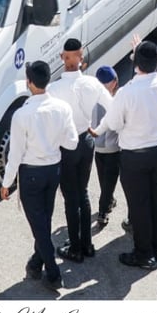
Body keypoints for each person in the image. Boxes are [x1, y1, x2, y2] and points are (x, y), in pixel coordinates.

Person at [93, 41, 157, 271]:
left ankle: (144, 253)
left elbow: (113, 123)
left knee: (140, 203)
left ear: (135, 65)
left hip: (134, 155)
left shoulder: (126, 92)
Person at [0, 60, 76, 288]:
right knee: (44, 221)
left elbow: (15, 154)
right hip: (53, 171)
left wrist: (6, 183)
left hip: (31, 174)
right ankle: (35, 263)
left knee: (40, 225)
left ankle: (53, 273)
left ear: (29, 83)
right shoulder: (63, 108)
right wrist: (54, 138)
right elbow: (71, 143)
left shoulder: (21, 115)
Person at [46, 39, 110, 262]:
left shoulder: (53, 89)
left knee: (70, 197)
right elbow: (112, 108)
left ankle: (74, 247)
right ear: (82, 58)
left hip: (66, 146)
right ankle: (87, 244)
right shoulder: (93, 84)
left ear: (64, 58)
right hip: (87, 140)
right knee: (82, 192)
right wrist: (98, 129)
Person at [91, 65, 122, 227]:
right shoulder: (114, 101)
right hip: (113, 149)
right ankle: (103, 211)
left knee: (103, 178)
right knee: (109, 181)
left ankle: (109, 199)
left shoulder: (91, 100)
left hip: (97, 148)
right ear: (114, 82)